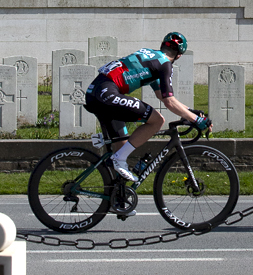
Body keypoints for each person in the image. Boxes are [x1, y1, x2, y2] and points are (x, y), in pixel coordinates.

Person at [85, 32, 211, 183]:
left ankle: (118, 200)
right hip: (107, 93)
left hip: (97, 93)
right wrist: (197, 120)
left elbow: (162, 95)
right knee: (157, 121)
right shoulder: (165, 64)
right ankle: (118, 160)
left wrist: (190, 112)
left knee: (122, 147)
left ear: (162, 45)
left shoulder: (151, 57)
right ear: (179, 56)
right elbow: (168, 101)